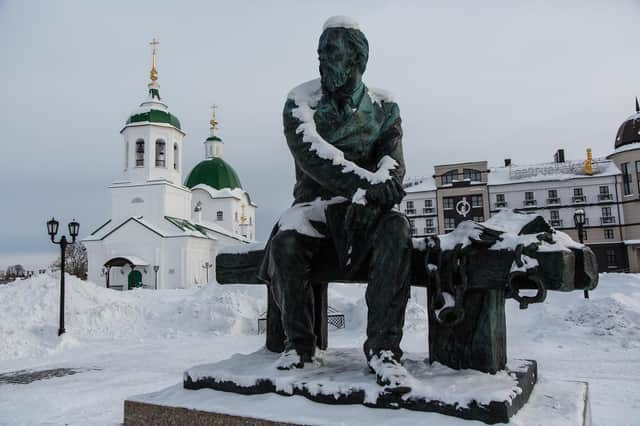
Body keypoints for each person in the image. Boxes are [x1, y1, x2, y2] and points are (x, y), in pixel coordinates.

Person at [258, 16, 412, 389]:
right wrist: (368, 187)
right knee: (286, 243)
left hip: (369, 213)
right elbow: (316, 159)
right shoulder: (300, 102)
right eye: (320, 53)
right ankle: (300, 346)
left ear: (357, 61)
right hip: (315, 209)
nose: (322, 61)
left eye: (331, 53)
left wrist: (379, 193)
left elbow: (393, 163)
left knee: (397, 230)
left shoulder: (385, 108)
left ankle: (383, 350)